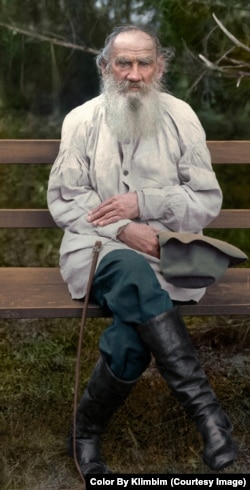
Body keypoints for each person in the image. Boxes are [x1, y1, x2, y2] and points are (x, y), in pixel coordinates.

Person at [47, 25, 238, 476]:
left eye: (143, 63)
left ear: (160, 66)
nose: (133, 74)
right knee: (132, 271)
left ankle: (85, 432)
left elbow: (206, 200)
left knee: (134, 327)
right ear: (105, 67)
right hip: (96, 248)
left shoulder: (182, 117)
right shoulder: (81, 120)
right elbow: (66, 199)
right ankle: (209, 417)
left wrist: (145, 203)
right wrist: (122, 226)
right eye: (123, 63)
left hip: (166, 250)